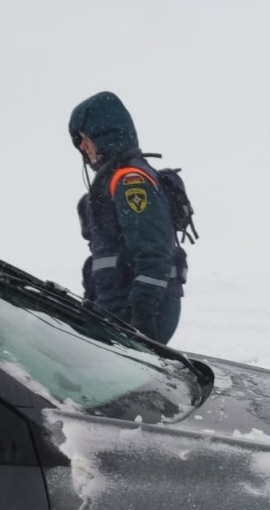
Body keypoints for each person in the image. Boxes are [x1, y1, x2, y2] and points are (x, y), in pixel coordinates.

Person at [69, 91, 183, 344]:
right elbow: (105, 254)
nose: (82, 148)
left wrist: (143, 314)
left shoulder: (131, 180)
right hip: (115, 306)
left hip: (137, 309)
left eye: (84, 139)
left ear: (102, 134)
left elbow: (153, 250)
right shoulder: (110, 180)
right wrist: (91, 300)